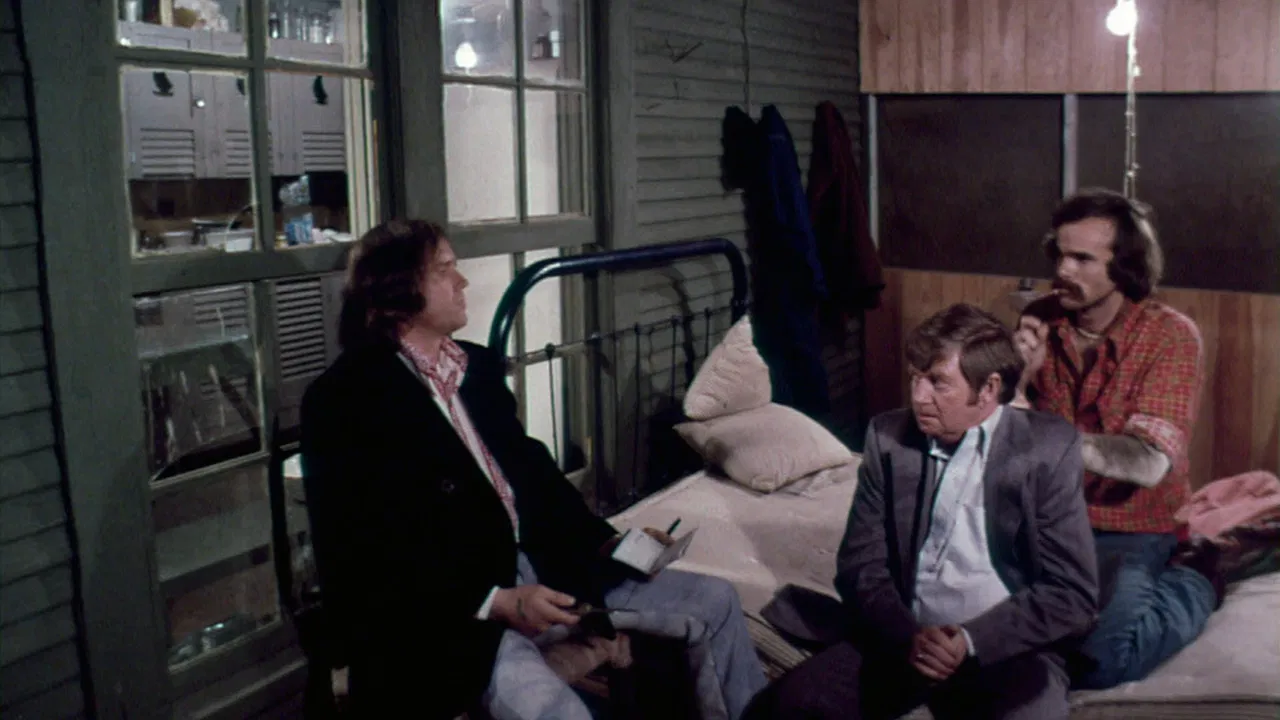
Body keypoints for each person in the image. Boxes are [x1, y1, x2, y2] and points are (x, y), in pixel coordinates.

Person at [300, 219, 767, 719]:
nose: (462, 281)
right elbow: (366, 558)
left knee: (716, 600)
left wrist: (609, 543)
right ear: (397, 290)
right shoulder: (345, 401)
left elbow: (537, 479)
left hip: (543, 570)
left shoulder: (475, 369)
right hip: (452, 617)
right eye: (444, 269)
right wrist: (494, 601)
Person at [745, 303, 1099, 720]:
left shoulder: (1047, 449)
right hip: (903, 638)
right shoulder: (888, 438)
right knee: (793, 703)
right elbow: (860, 564)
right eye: (915, 377)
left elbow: (1071, 591)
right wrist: (908, 636)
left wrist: (969, 641)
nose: (918, 397)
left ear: (988, 389)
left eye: (938, 382)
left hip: (1006, 649)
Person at [1012, 188, 1237, 689]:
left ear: (1125, 266)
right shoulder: (1042, 318)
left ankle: (1198, 577)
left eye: (1082, 259)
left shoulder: (1170, 335)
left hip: (1130, 527)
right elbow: (1006, 423)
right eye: (1060, 255)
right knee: (997, 626)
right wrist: (1019, 377)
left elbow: (1148, 462)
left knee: (1102, 660)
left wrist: (1041, 433)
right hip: (1049, 518)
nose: (1063, 270)